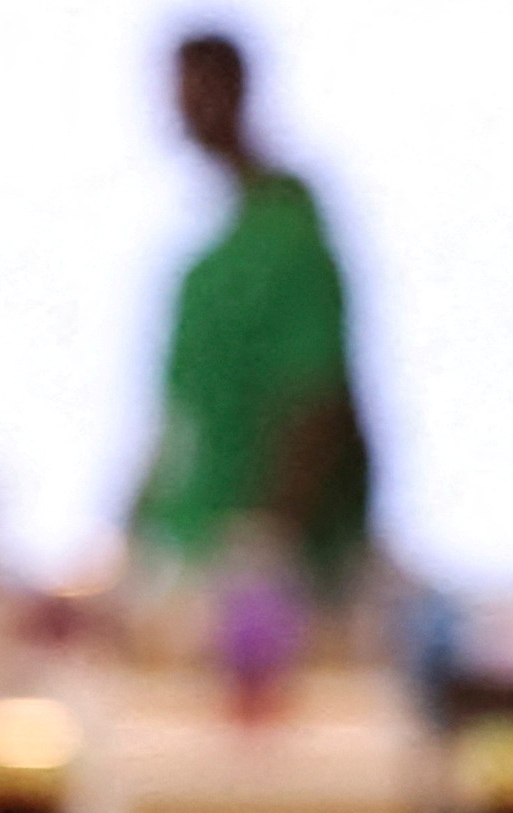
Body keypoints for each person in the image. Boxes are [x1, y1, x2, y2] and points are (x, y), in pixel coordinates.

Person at [128, 30, 371, 597]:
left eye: (196, 88)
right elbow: (181, 415)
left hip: (271, 578)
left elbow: (319, 403)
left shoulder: (292, 240)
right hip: (190, 553)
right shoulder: (211, 258)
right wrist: (133, 528)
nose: (184, 108)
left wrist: (266, 544)